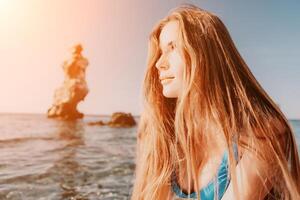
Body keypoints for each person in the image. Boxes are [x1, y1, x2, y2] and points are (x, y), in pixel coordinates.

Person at [131, 4, 300, 200]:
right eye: (160, 51)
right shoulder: (163, 131)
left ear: (206, 54)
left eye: (172, 48)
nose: (159, 63)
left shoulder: (262, 133)